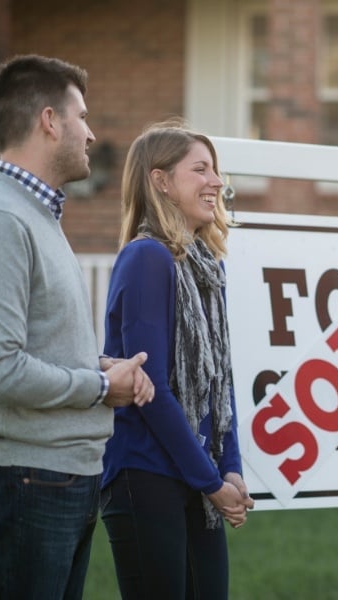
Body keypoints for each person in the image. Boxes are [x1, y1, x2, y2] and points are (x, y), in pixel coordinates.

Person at [0, 54, 155, 600]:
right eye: (81, 116)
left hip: (56, 476)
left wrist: (103, 367)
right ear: (48, 120)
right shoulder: (0, 219)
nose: (90, 133)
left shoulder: (34, 215)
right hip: (27, 479)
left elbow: (38, 346)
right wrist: (102, 387)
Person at [99, 121, 255, 599]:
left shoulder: (207, 267)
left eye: (217, 171)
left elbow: (218, 379)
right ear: (161, 181)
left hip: (197, 473)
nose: (216, 182)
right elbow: (153, 389)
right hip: (146, 474)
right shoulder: (147, 258)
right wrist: (211, 481)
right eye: (200, 169)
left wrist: (230, 470)